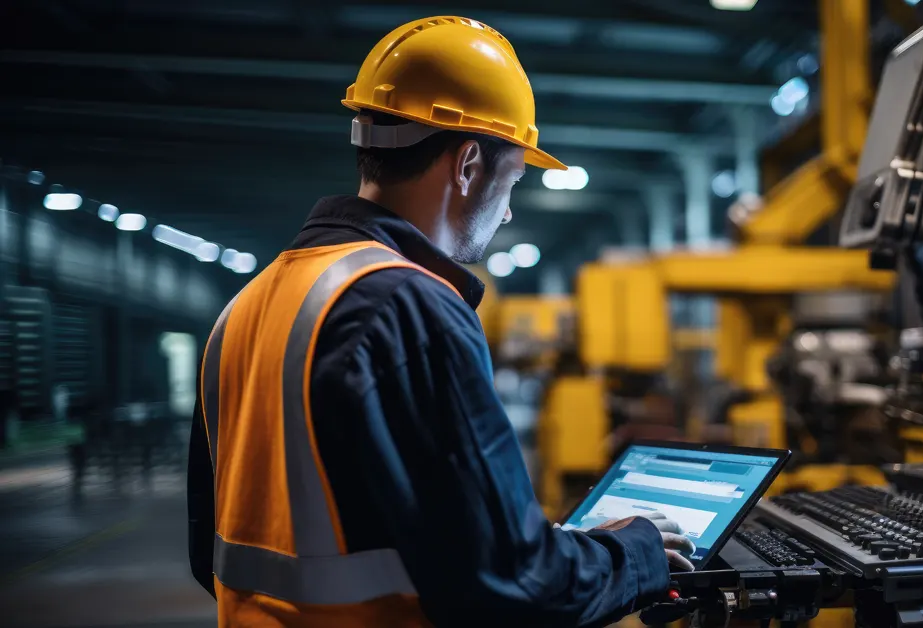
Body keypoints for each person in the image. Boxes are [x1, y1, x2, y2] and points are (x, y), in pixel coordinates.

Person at [187, 15, 694, 627]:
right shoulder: (410, 307)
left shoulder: (246, 306)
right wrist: (636, 551)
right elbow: (517, 589)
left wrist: (544, 545)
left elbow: (210, 551)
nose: (507, 214)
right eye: (513, 180)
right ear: (468, 163)